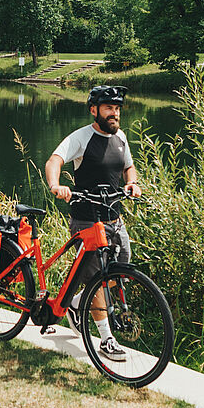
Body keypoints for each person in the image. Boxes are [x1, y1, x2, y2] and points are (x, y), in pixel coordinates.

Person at [44, 84, 141, 362]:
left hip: (115, 219)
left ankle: (76, 303)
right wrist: (56, 184)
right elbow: (55, 160)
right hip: (87, 220)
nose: (115, 114)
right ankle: (106, 339)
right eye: (109, 108)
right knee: (98, 280)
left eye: (117, 109)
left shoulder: (121, 137)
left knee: (119, 273)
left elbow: (127, 166)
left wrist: (132, 183)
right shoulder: (81, 138)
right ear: (93, 110)